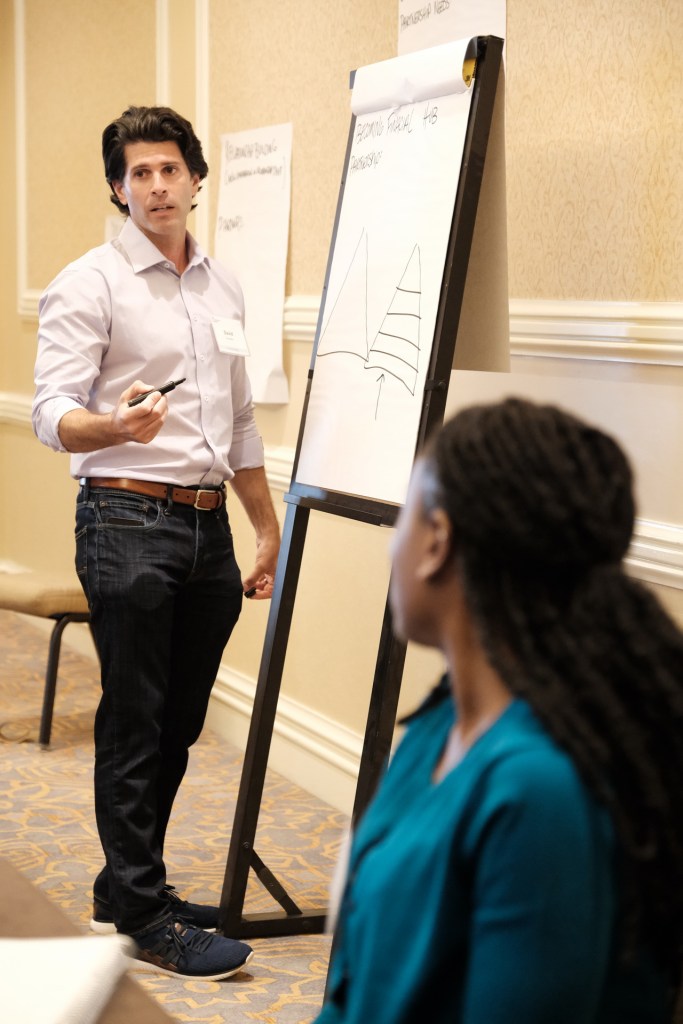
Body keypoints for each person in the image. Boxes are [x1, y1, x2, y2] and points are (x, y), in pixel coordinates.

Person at [315, 396, 683, 1023]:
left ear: (437, 541)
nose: (389, 547)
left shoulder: (538, 794)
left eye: (405, 515)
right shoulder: (433, 731)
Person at [32, 105, 281, 981]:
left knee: (177, 722)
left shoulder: (224, 286)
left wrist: (264, 522)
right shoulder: (89, 282)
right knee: (136, 721)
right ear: (117, 188)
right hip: (126, 519)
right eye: (138, 173)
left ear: (195, 179)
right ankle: (143, 910)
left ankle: (123, 881)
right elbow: (49, 414)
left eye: (169, 169)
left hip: (208, 524)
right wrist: (113, 425)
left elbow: (240, 418)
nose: (156, 185)